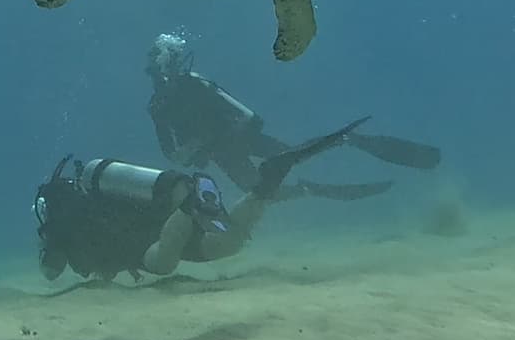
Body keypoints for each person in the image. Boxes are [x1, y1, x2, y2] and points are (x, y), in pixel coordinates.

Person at [34, 117, 367, 284]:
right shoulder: (75, 211)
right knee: (229, 242)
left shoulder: (60, 223)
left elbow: (52, 270)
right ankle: (268, 180)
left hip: (155, 241)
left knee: (163, 264)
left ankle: (190, 206)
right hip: (171, 220)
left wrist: (48, 240)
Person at [144, 32, 441, 202]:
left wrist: (217, 139)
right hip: (223, 152)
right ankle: (310, 187)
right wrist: (199, 146)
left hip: (241, 140)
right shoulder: (159, 106)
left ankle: (348, 140)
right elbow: (173, 154)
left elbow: (248, 116)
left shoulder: (196, 84)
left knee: (293, 155)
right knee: (263, 192)